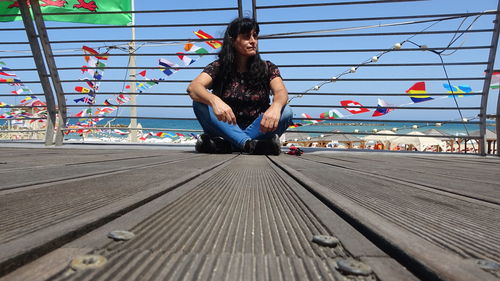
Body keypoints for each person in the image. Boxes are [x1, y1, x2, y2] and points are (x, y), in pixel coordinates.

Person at [187, 17, 293, 155]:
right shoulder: (219, 67)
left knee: (286, 111)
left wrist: (276, 107)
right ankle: (248, 144)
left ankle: (231, 145)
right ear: (232, 40)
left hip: (259, 128)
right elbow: (193, 88)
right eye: (246, 37)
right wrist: (215, 101)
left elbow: (281, 91)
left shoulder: (267, 67)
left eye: (255, 36)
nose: (253, 41)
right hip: (224, 127)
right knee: (199, 103)